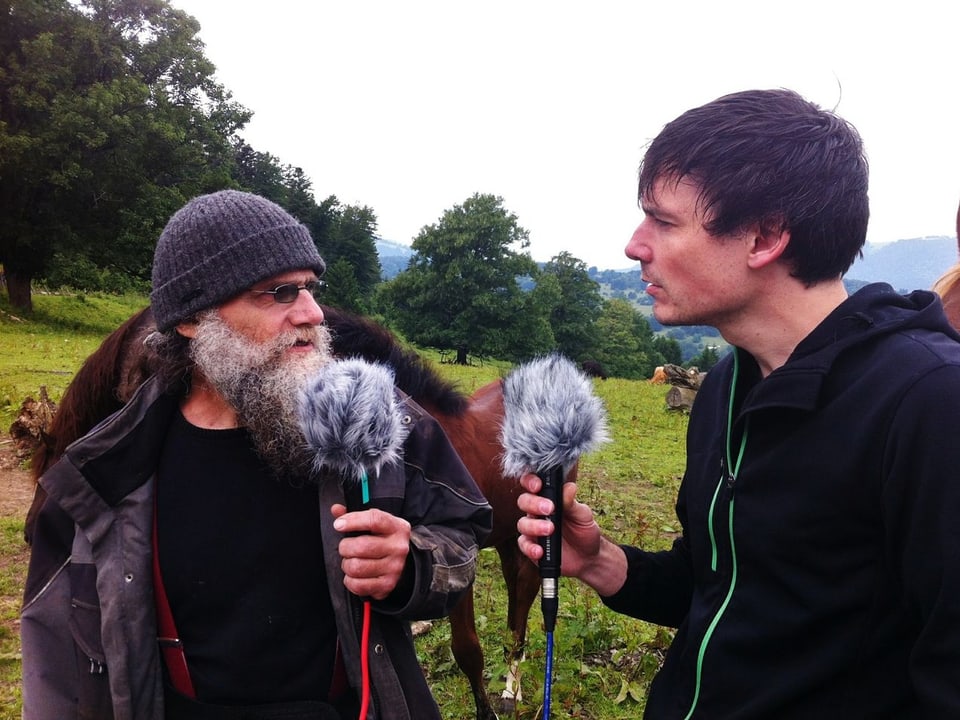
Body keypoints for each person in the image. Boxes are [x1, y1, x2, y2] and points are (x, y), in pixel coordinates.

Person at [517, 89, 960, 718]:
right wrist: (602, 561)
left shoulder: (930, 404)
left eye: (664, 221)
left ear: (765, 236)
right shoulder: (727, 387)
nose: (634, 245)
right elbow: (719, 591)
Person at [21, 189, 493, 720]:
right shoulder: (108, 468)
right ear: (192, 320)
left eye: (311, 289)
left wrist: (411, 564)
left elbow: (463, 532)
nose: (313, 313)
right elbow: (53, 660)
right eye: (278, 293)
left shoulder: (376, 419)